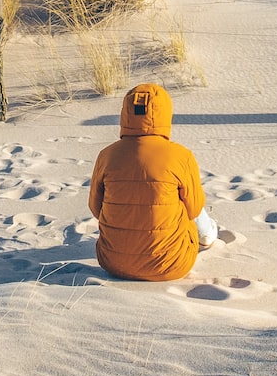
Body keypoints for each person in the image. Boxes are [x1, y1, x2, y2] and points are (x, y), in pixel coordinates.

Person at [88, 81, 219, 282]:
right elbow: (193, 209)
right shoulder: (180, 155)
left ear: (126, 114)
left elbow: (95, 208)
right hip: (171, 265)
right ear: (165, 114)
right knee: (189, 198)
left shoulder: (107, 155)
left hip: (112, 264)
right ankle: (207, 235)